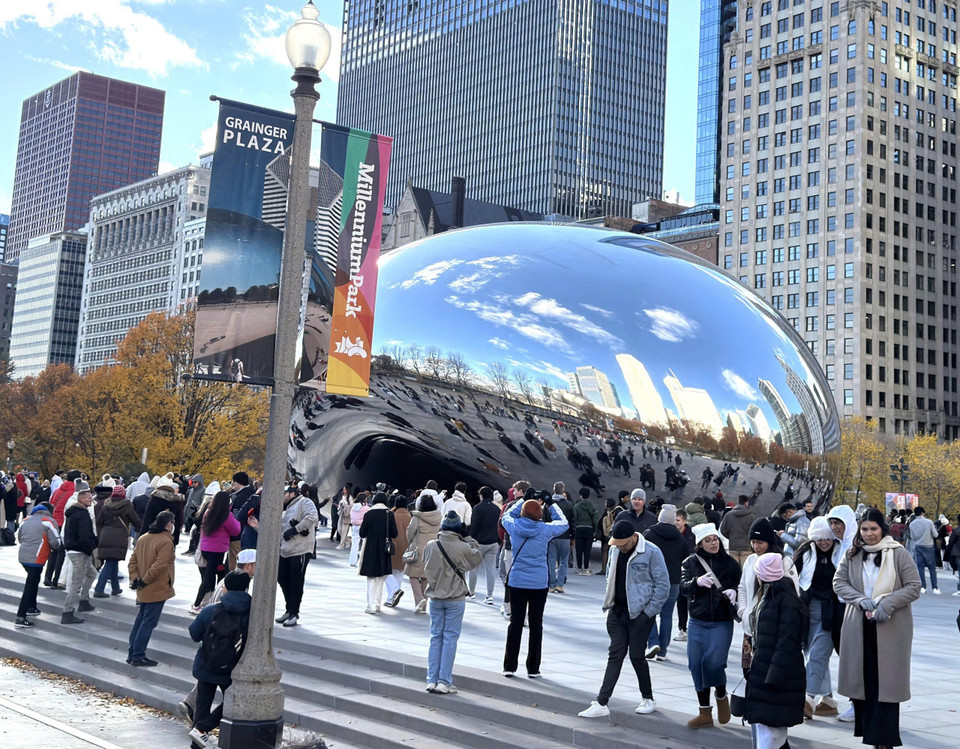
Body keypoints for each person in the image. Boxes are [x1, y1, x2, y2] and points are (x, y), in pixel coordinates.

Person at [833, 508, 922, 749]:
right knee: (866, 681)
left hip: (890, 628)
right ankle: (871, 736)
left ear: (882, 529)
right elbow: (839, 582)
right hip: (859, 625)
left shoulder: (898, 553)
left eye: (873, 529)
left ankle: (885, 739)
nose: (869, 534)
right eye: (864, 529)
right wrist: (860, 599)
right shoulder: (852, 553)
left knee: (887, 686)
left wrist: (888, 603)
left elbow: (914, 586)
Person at [578, 519, 670, 719]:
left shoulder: (652, 552)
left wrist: (648, 613)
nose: (620, 547)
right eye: (616, 544)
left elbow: (663, 586)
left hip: (640, 615)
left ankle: (648, 698)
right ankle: (602, 702)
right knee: (615, 655)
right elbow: (610, 576)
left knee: (637, 656)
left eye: (623, 543)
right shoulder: (615, 550)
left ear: (633, 537)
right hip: (617, 612)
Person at [679, 523, 741, 728]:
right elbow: (683, 588)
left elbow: (741, 586)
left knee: (714, 663)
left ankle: (721, 693)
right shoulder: (690, 563)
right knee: (695, 664)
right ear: (700, 544)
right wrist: (696, 583)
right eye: (708, 540)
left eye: (715, 539)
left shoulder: (730, 563)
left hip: (721, 621)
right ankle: (704, 712)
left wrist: (734, 592)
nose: (713, 543)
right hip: (697, 621)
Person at [743, 553, 807, 749]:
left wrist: (772, 676)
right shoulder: (772, 596)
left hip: (778, 678)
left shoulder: (784, 601)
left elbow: (786, 642)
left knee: (773, 734)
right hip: (767, 674)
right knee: (768, 731)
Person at [501, 497, 569, 678]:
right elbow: (564, 523)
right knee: (536, 624)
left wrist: (520, 501)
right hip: (539, 582)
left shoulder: (514, 527)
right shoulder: (545, 529)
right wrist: (552, 505)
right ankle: (533, 668)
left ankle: (509, 665)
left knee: (515, 623)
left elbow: (505, 515)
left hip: (517, 581)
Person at [187, 570, 252, 748]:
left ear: (226, 588)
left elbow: (194, 634)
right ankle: (204, 728)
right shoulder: (252, 613)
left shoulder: (211, 609)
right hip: (233, 667)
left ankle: (198, 738)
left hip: (207, 665)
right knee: (233, 702)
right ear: (246, 588)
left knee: (202, 704)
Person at [422, 511, 483, 694]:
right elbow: (477, 557)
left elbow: (427, 567)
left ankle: (431, 679)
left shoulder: (431, 546)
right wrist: (469, 538)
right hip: (455, 598)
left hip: (435, 597)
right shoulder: (463, 546)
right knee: (450, 638)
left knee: (435, 637)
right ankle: (444, 681)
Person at [794, 516, 843, 718]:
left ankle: (808, 698)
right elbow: (792, 577)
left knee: (817, 654)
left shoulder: (843, 553)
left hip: (831, 612)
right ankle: (829, 700)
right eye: (819, 538)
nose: (823, 542)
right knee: (811, 652)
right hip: (807, 610)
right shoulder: (805, 552)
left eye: (827, 538)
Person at [127, 510, 176, 667]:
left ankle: (132, 652)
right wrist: (144, 580)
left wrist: (136, 579)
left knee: (141, 619)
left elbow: (132, 561)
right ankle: (138, 655)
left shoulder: (143, 538)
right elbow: (160, 565)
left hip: (143, 587)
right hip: (156, 587)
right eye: (172, 522)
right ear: (168, 525)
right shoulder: (166, 542)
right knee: (148, 622)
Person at [642, 504, 687, 661]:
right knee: (667, 615)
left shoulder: (649, 534)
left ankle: (653, 642)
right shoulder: (680, 538)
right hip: (673, 581)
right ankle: (663, 652)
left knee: (649, 612)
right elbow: (685, 559)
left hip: (652, 580)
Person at [191, 491, 241, 615]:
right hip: (217, 550)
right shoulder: (226, 516)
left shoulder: (208, 513)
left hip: (206, 548)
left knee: (215, 575)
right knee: (209, 577)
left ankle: (212, 601)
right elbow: (236, 531)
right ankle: (197, 603)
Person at [276, 483, 319, 626]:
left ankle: (294, 612)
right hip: (286, 550)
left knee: (296, 582)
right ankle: (289, 609)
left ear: (292, 493)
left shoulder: (304, 502)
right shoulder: (287, 508)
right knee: (282, 578)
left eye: (284, 494)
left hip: (300, 550)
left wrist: (296, 529)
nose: (282, 498)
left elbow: (312, 517)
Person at [15, 502, 61, 627]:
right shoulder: (48, 521)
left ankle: (32, 606)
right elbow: (56, 542)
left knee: (33, 580)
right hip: (37, 557)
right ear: (49, 511)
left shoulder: (26, 520)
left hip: (23, 556)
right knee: (30, 585)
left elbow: (19, 538)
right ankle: (20, 616)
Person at [93, 485, 142, 598]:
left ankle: (115, 588)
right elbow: (135, 520)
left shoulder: (106, 505)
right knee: (110, 563)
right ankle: (99, 589)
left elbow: (99, 522)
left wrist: (101, 535)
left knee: (112, 562)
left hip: (105, 535)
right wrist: (143, 528)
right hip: (118, 537)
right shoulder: (127, 505)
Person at [61, 489, 98, 624]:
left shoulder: (73, 513)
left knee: (92, 573)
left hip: (74, 549)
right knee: (76, 583)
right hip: (79, 551)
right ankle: (67, 611)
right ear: (82, 499)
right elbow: (84, 536)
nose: (91, 500)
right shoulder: (82, 514)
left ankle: (84, 601)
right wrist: (91, 547)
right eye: (88, 498)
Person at [358, 492, 398, 614]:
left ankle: (370, 605)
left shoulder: (369, 514)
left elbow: (362, 533)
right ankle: (377, 604)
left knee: (371, 577)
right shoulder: (389, 514)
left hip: (370, 547)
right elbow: (394, 533)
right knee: (381, 577)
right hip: (384, 549)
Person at [468, 485, 502, 604]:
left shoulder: (477, 508)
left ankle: (471, 593)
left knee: (473, 568)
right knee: (490, 569)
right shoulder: (497, 509)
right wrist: (498, 541)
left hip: (479, 542)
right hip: (493, 542)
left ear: (481, 496)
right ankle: (489, 595)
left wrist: (471, 540)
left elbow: (474, 526)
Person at [546, 483, 575, 593]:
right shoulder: (568, 504)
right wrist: (573, 535)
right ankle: (560, 584)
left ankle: (551, 585)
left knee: (551, 561)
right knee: (564, 561)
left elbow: (545, 520)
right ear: (563, 491)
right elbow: (573, 521)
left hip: (552, 536)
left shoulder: (549, 504)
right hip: (565, 536)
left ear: (553, 490)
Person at [385, 495, 412, 608]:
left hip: (392, 547)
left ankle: (394, 591)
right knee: (399, 572)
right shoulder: (410, 517)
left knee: (386, 571)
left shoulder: (391, 515)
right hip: (406, 548)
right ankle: (392, 598)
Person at [673, 508, 696, 642]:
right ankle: (683, 628)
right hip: (676, 571)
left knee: (690, 601)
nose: (676, 523)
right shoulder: (672, 533)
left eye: (678, 520)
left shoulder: (692, 534)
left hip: (690, 572)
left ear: (684, 521)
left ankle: (692, 628)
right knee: (680, 601)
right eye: (674, 520)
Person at [907, 506, 940, 594]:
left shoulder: (912, 524)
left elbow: (912, 537)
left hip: (918, 546)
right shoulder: (929, 522)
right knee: (932, 568)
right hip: (928, 546)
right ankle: (935, 587)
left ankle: (923, 587)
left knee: (920, 567)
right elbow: (935, 534)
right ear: (922, 512)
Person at [719, 494, 755, 566]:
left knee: (733, 568)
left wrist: (731, 537)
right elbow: (753, 531)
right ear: (746, 503)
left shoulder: (728, 514)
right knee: (744, 569)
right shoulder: (751, 517)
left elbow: (723, 530)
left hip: (733, 545)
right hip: (746, 547)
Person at [572, 487, 599, 575]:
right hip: (589, 529)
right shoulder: (593, 506)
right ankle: (586, 568)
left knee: (579, 549)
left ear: (581, 495)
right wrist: (595, 530)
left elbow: (574, 519)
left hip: (579, 529)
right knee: (587, 549)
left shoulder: (576, 506)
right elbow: (595, 520)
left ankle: (579, 568)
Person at [598, 497, 624, 576]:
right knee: (613, 552)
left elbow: (600, 523)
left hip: (606, 535)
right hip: (614, 535)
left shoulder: (606, 512)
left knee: (604, 551)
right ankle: (611, 569)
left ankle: (604, 569)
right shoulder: (618, 511)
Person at [349, 492, 369, 567]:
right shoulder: (366, 508)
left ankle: (352, 561)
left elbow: (351, 515)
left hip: (355, 526)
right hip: (363, 526)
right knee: (365, 544)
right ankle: (364, 561)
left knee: (354, 545)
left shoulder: (353, 507)